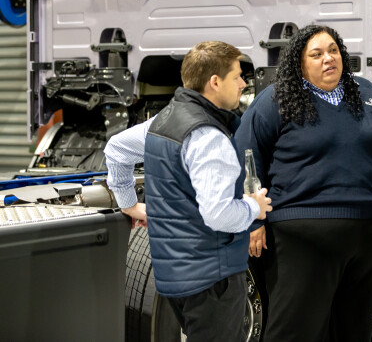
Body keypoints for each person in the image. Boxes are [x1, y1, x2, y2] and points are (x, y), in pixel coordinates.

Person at [235, 24, 372, 341]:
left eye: (333, 50)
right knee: (294, 332)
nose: (328, 58)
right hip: (301, 238)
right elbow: (247, 156)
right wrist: (252, 219)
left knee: (354, 331)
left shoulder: (369, 95)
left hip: (369, 234)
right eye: (317, 54)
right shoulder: (276, 99)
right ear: (300, 62)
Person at [104, 41, 272, 342]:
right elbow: (218, 214)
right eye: (237, 76)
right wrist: (254, 208)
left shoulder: (164, 120)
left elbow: (116, 149)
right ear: (215, 82)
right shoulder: (208, 136)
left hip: (174, 276)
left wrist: (128, 203)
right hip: (212, 277)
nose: (243, 84)